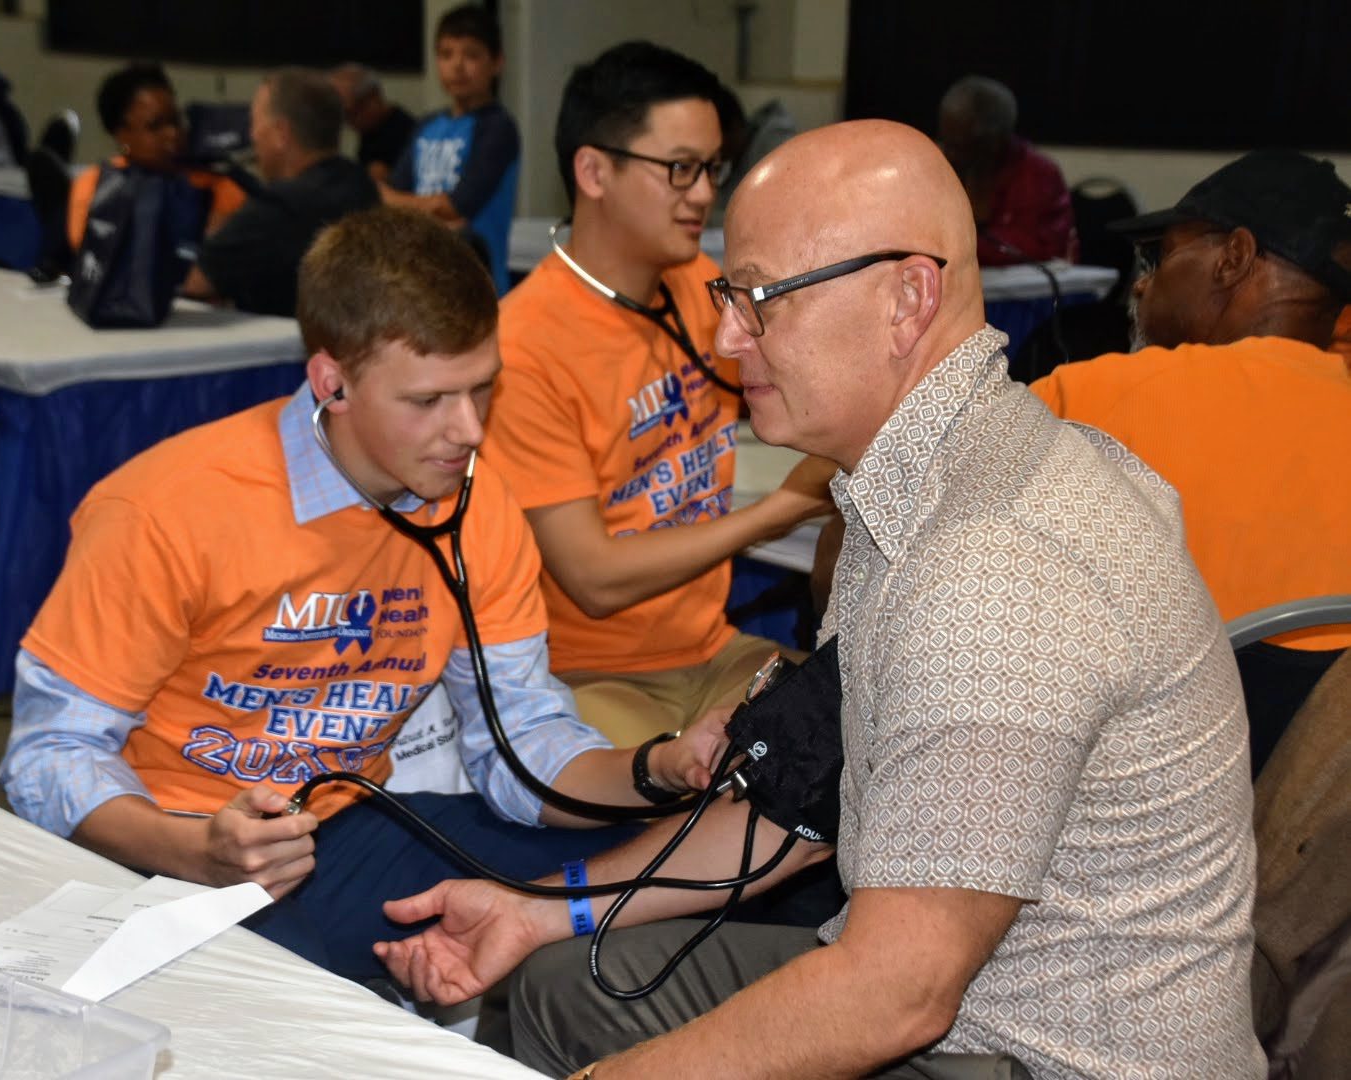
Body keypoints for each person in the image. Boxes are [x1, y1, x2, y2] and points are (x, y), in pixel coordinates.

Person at [374, 121, 1265, 1080]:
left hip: (1042, 1055)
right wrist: (538, 907)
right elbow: (802, 808)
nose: (724, 337)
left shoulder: (992, 565)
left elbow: (895, 995)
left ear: (906, 298)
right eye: (727, 296)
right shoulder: (936, 480)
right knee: (562, 976)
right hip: (962, 996)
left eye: (759, 300)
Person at [0, 206, 728, 982]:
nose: (471, 429)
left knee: (669, 867)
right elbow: (48, 753)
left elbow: (521, 749)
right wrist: (196, 850)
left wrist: (659, 768)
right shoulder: (165, 509)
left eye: (483, 388)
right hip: (167, 851)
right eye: (429, 401)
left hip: (346, 833)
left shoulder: (480, 509)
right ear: (331, 384)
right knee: (296, 1007)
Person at [481, 41, 833, 748]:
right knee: (698, 794)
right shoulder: (523, 345)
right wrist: (773, 516)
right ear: (594, 171)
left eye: (711, 169)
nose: (703, 193)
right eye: (679, 169)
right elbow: (594, 579)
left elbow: (815, 405)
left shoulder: (697, 285)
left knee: (851, 738)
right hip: (590, 677)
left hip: (717, 652)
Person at [1030, 148, 1351, 773]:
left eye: (1161, 255)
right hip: (1314, 818)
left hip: (1143, 795)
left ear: (1233, 258)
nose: (1144, 281)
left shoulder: (1097, 396)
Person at [184, 67, 378, 317]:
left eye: (255, 123)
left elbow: (195, 280)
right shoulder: (359, 183)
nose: (252, 136)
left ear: (280, 133)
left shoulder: (280, 207)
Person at [380, 3, 519, 294]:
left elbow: (460, 205)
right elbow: (386, 199)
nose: (457, 65)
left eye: (471, 55)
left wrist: (410, 202)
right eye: (446, 54)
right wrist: (433, 208)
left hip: (479, 283)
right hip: (419, 281)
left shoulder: (498, 127)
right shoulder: (426, 125)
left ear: (497, 63)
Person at [67, 62, 245, 251]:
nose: (173, 134)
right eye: (155, 126)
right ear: (121, 135)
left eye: (175, 121)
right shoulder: (95, 186)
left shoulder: (216, 183)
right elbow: (93, 253)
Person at [937, 75, 1076, 267]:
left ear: (993, 141)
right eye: (946, 141)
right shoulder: (944, 167)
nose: (949, 154)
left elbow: (1035, 248)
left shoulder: (1037, 174)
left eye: (960, 145)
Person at [329, 63, 416, 183]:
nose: (347, 123)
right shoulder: (369, 132)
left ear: (373, 98)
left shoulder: (406, 134)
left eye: (349, 113)